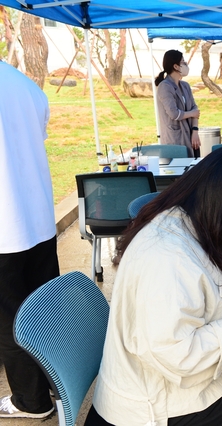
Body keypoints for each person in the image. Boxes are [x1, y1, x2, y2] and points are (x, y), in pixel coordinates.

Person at [86, 147, 222, 426]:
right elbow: (175, 353)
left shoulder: (187, 219)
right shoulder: (167, 258)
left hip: (165, 383)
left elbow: (202, 279)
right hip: (154, 404)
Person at [0, 60, 58, 419]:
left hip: (5, 230)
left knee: (10, 323)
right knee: (42, 316)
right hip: (38, 219)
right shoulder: (24, 85)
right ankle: (60, 379)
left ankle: (31, 401)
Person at [155, 50, 201, 157]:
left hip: (191, 136)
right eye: (183, 62)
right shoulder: (165, 86)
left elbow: (195, 109)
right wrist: (191, 113)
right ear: (176, 66)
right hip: (174, 139)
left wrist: (195, 130)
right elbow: (174, 114)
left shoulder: (185, 86)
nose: (186, 65)